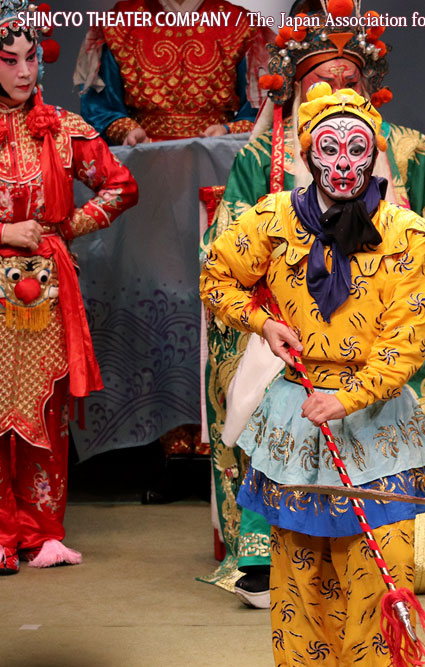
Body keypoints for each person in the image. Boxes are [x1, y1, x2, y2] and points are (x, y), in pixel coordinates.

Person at [200, 0, 425, 607]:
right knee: (275, 387)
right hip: (292, 320)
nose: (339, 93)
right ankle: (268, 551)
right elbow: (225, 258)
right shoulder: (262, 161)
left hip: (395, 308)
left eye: (352, 81)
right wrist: (264, 319)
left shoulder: (408, 147)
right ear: (296, 87)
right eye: (323, 81)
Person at [201, 84, 425, 665]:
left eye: (357, 149)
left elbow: (405, 345)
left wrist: (350, 397)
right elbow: (216, 275)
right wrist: (261, 323)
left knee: (377, 582)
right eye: (329, 149)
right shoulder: (275, 219)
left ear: (374, 156)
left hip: (375, 423)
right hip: (298, 416)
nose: (343, 163)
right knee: (300, 586)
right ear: (308, 154)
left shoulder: (406, 235)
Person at [0, 4, 138, 574]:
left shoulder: (60, 126)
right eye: (9, 60)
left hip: (47, 289)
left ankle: (43, 532)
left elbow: (120, 186)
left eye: (32, 58)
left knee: (45, 411)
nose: (24, 71)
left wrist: (64, 228)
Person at [74, 0, 268, 145]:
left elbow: (260, 113)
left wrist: (227, 130)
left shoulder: (240, 25)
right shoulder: (118, 25)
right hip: (144, 160)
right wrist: (128, 131)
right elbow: (100, 108)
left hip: (217, 159)